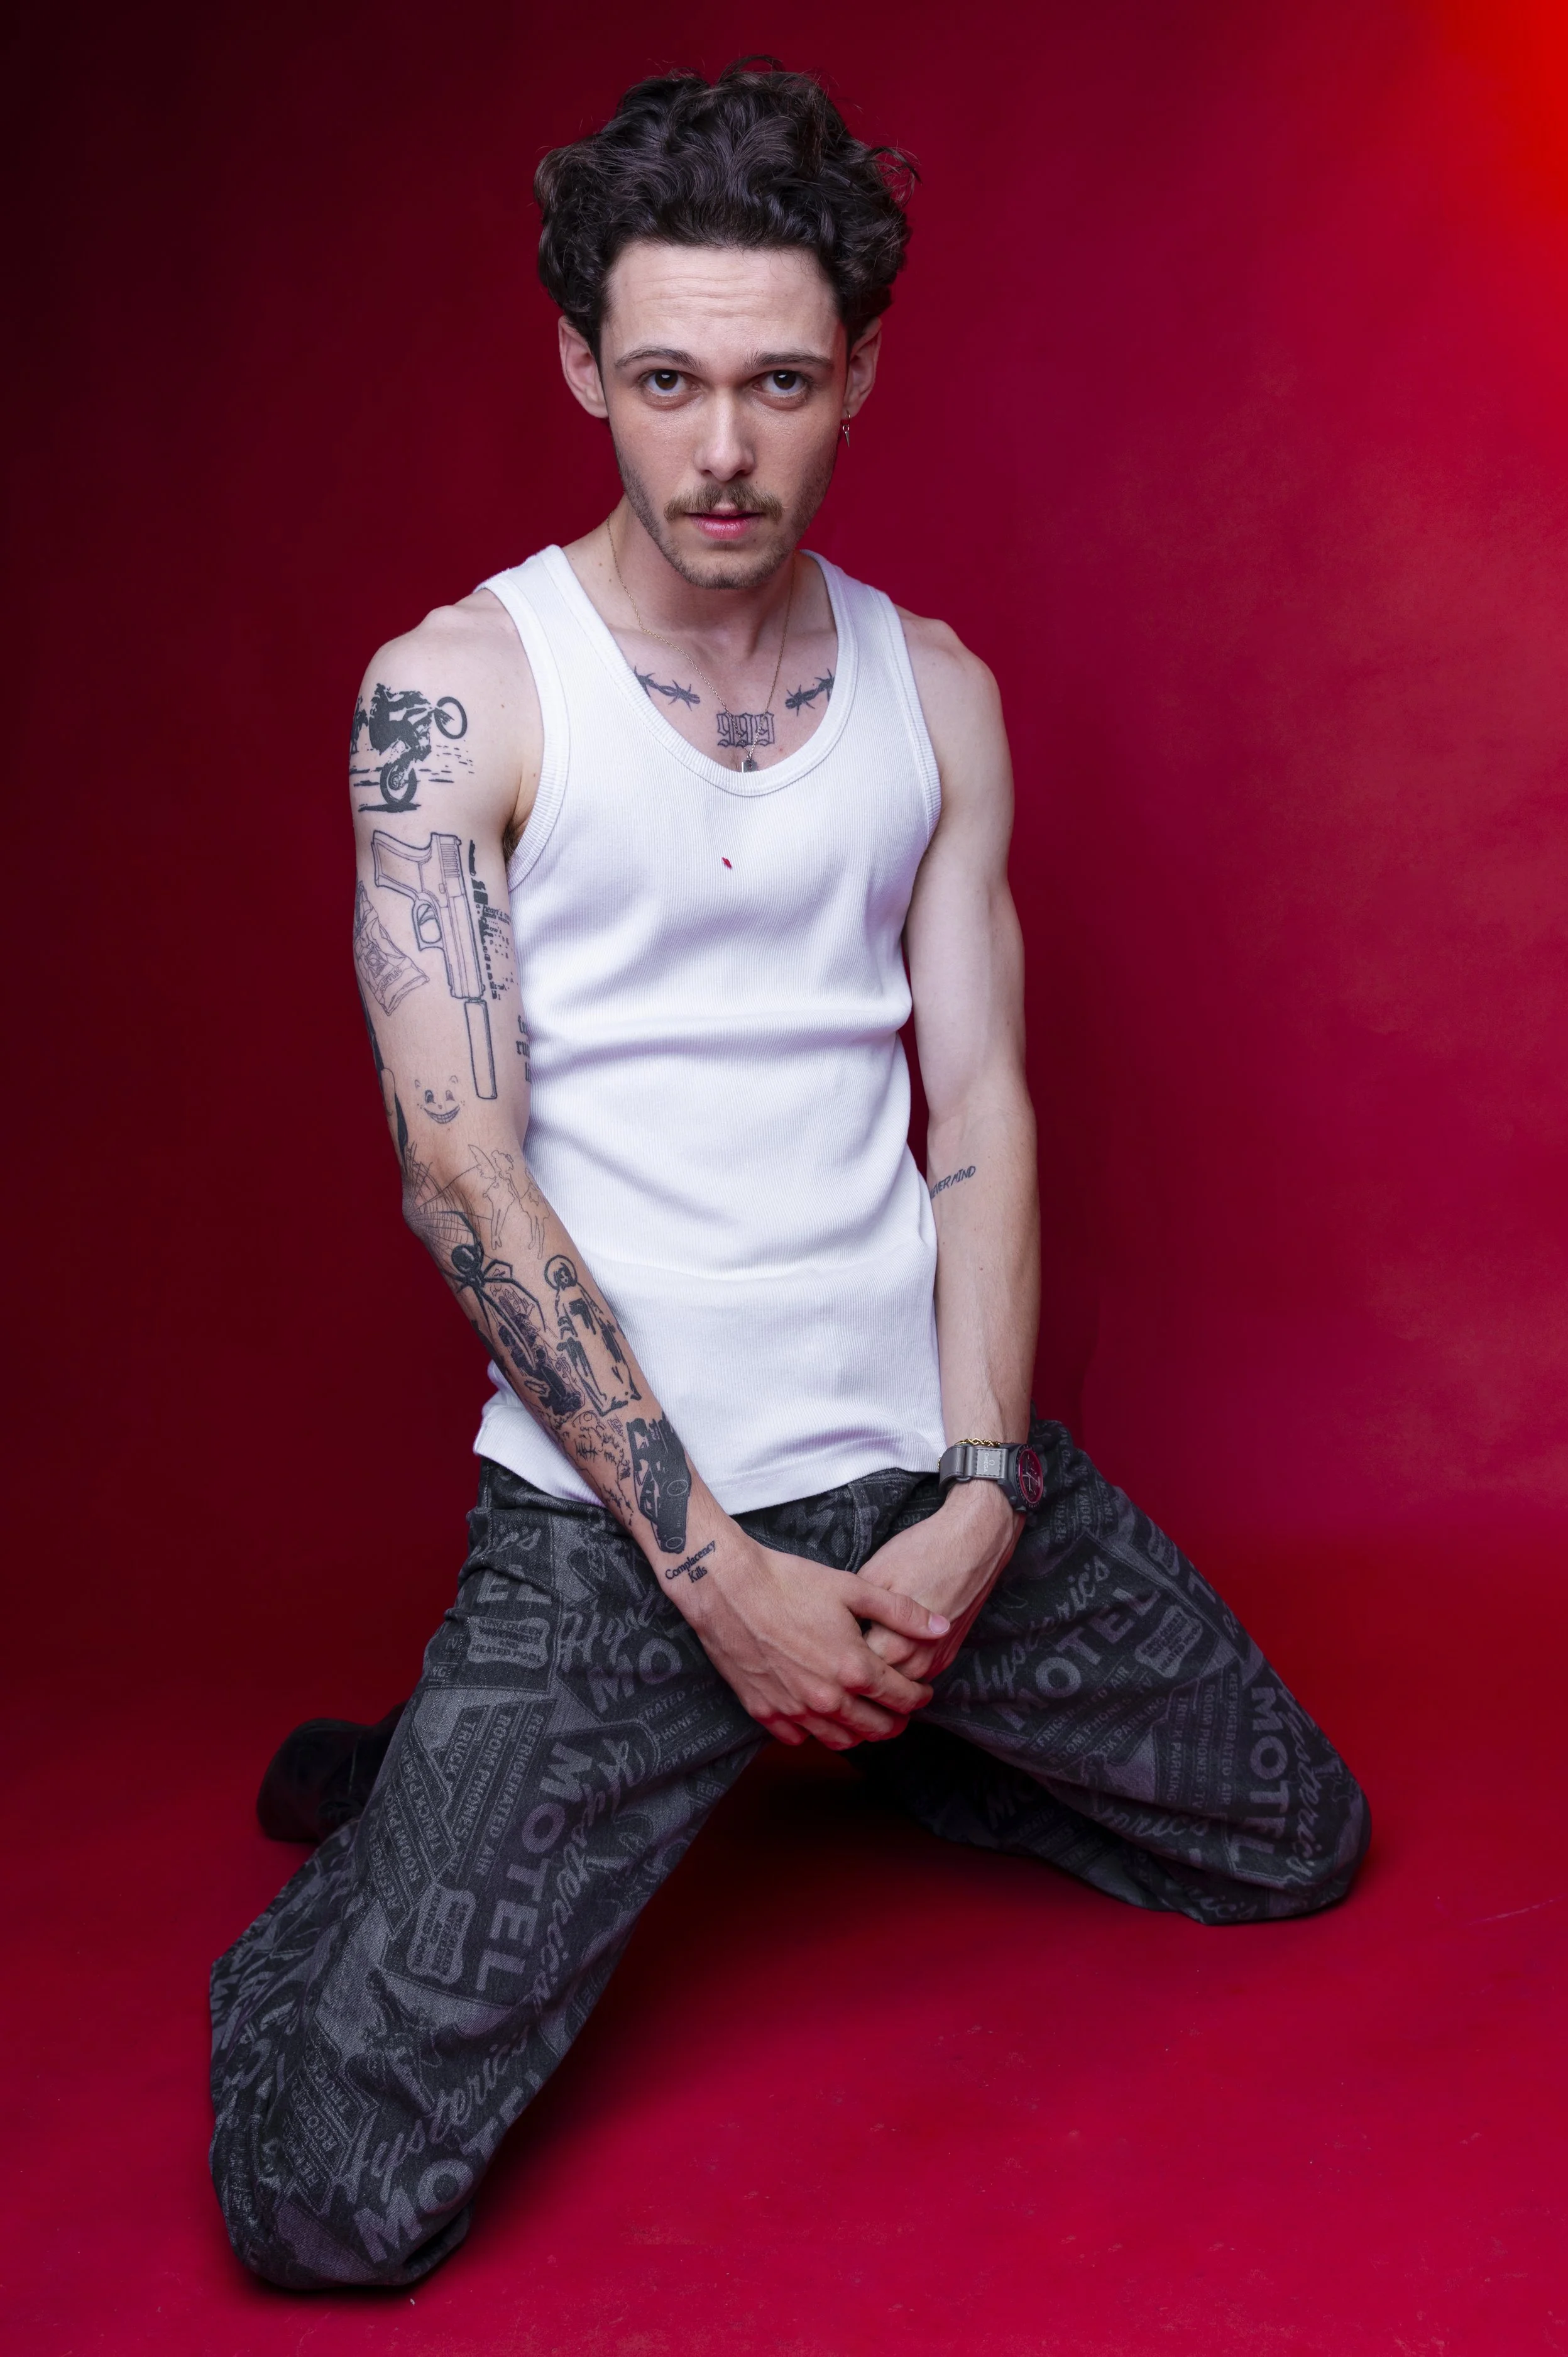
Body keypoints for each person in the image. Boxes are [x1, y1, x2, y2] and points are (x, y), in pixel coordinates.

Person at [210, 61, 1369, 2291]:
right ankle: (379, 1854)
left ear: (856, 374)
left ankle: (840, 1733)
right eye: (663, 381)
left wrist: (984, 1491)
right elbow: (457, 1167)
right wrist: (715, 1574)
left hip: (912, 1473)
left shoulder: (933, 692)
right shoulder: (454, 696)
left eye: (775, 382)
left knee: (1288, 1842)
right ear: (580, 368)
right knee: (323, 2214)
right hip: (618, 1516)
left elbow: (987, 1118)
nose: (719, 449)